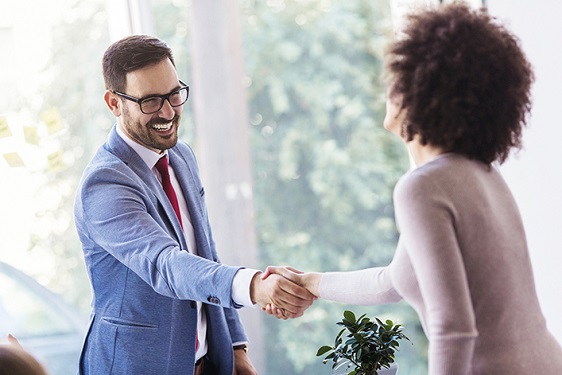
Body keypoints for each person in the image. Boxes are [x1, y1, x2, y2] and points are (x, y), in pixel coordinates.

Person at [263, 3, 562, 375]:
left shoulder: (422, 188)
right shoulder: (478, 173)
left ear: (425, 90)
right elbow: (393, 281)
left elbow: (452, 328)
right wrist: (311, 282)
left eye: (399, 76)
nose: (389, 86)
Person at [74, 34, 315, 375]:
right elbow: (166, 265)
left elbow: (204, 255)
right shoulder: (105, 183)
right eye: (151, 101)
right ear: (114, 103)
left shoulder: (181, 157)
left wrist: (236, 348)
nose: (168, 112)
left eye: (174, 94)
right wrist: (255, 287)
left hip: (204, 363)